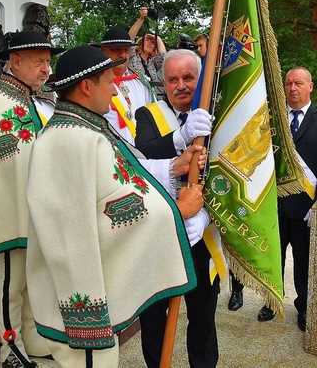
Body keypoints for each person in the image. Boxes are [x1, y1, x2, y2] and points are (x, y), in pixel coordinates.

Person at [25, 45, 205, 367]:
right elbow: (104, 217)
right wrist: (179, 211)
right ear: (86, 86)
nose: (116, 88)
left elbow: (130, 173)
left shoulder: (87, 126)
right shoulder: (70, 140)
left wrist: (175, 166)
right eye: (110, 81)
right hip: (80, 301)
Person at [0, 31, 64, 368]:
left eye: (48, 62)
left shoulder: (36, 100)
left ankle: (34, 338)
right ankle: (11, 349)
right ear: (16, 61)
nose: (45, 69)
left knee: (32, 279)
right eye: (39, 61)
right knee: (11, 281)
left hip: (37, 207)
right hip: (11, 208)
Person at [134, 49, 222, 368]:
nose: (181, 85)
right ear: (164, 82)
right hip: (158, 235)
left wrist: (207, 215)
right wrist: (180, 137)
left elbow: (233, 174)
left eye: (189, 78)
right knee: (154, 318)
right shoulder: (149, 115)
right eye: (173, 79)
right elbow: (142, 156)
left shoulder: (220, 115)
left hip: (200, 236)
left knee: (202, 319)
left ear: (201, 81)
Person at [257, 66, 317, 331]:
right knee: (272, 259)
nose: (293, 88)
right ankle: (271, 301)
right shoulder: (274, 120)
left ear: (310, 87)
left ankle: (303, 306)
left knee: (304, 263)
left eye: (299, 83)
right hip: (274, 206)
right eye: (289, 83)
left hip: (305, 208)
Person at [98, 27, 155, 145]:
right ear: (103, 51)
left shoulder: (142, 82)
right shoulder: (95, 85)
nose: (123, 54)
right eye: (116, 50)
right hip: (111, 156)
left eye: (126, 50)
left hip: (143, 157)